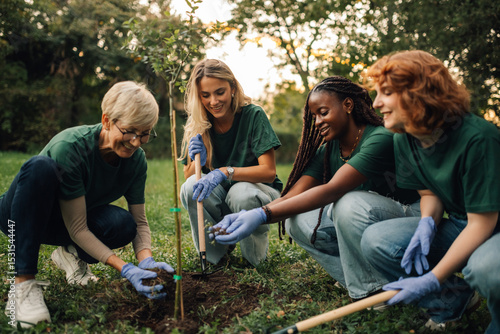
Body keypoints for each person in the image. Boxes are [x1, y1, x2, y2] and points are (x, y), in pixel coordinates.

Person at [210, 76, 420, 300]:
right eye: (314, 116)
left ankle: (370, 290)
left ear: (348, 105)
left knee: (347, 203)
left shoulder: (379, 138)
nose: (317, 121)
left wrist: (262, 214)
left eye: (323, 112)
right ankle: (362, 280)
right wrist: (252, 215)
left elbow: (332, 190)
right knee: (296, 220)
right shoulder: (329, 150)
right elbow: (293, 196)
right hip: (367, 219)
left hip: (410, 218)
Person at [1, 81, 174, 328]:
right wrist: (125, 268)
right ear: (106, 121)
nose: (136, 142)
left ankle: (68, 254)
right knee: (40, 167)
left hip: (66, 222)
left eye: (145, 133)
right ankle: (23, 285)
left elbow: (139, 221)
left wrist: (146, 260)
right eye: (130, 131)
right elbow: (78, 229)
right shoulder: (71, 147)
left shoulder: (136, 162)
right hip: (21, 217)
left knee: (122, 224)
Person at [360, 50, 500, 332]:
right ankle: (452, 301)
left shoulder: (479, 139)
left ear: (418, 92)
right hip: (464, 223)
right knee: (377, 241)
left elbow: (482, 223)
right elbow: (429, 193)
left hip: (491, 227)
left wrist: (433, 277)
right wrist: (427, 223)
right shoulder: (405, 137)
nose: (376, 104)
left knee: (486, 268)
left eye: (386, 92)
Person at [179, 59, 282, 267]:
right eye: (205, 95)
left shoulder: (254, 115)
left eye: (220, 92)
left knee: (241, 192)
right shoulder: (199, 122)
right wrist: (201, 157)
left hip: (258, 195)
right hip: (222, 198)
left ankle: (253, 261)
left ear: (232, 88)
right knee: (190, 187)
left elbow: (269, 172)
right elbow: (190, 177)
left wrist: (226, 172)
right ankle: (214, 258)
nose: (213, 101)